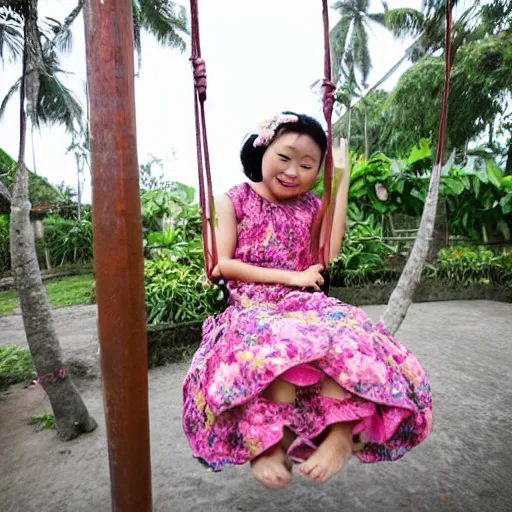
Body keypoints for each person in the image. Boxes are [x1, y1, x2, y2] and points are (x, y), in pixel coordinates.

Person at [182, 112, 432, 489]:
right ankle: (272, 441)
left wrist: (342, 181)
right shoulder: (232, 200)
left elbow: (327, 253)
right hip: (252, 307)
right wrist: (292, 277)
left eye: (307, 164)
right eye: (284, 158)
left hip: (305, 305)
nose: (293, 171)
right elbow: (222, 263)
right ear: (262, 150)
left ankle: (342, 431)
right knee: (277, 345)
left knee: (350, 335)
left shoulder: (311, 207)